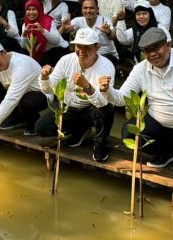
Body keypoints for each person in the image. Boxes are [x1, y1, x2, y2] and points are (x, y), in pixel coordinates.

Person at [99, 27, 173, 189]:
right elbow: (122, 98)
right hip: (159, 120)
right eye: (147, 50)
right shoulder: (140, 69)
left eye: (156, 48)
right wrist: (107, 90)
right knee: (129, 132)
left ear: (168, 45)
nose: (152, 54)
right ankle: (170, 152)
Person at [35, 28, 116, 162]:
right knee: (41, 128)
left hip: (91, 108)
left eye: (87, 47)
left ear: (97, 47)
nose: (82, 51)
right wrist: (44, 78)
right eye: (79, 46)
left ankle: (100, 144)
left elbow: (103, 102)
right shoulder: (65, 60)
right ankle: (79, 130)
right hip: (68, 105)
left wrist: (87, 87)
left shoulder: (106, 66)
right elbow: (50, 90)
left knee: (105, 110)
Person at [60, 0, 119, 65]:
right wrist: (64, 29)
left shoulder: (104, 20)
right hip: (87, 55)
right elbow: (62, 31)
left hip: (107, 55)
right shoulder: (78, 20)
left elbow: (113, 36)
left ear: (97, 9)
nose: (88, 11)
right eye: (85, 8)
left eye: (91, 8)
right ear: (81, 9)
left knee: (92, 62)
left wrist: (108, 32)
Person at [21, 0, 68, 67]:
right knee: (23, 55)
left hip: (57, 49)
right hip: (41, 51)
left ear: (39, 10)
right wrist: (24, 35)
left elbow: (56, 41)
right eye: (28, 10)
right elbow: (24, 46)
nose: (31, 12)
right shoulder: (25, 25)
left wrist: (43, 31)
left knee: (42, 65)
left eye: (34, 9)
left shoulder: (48, 21)